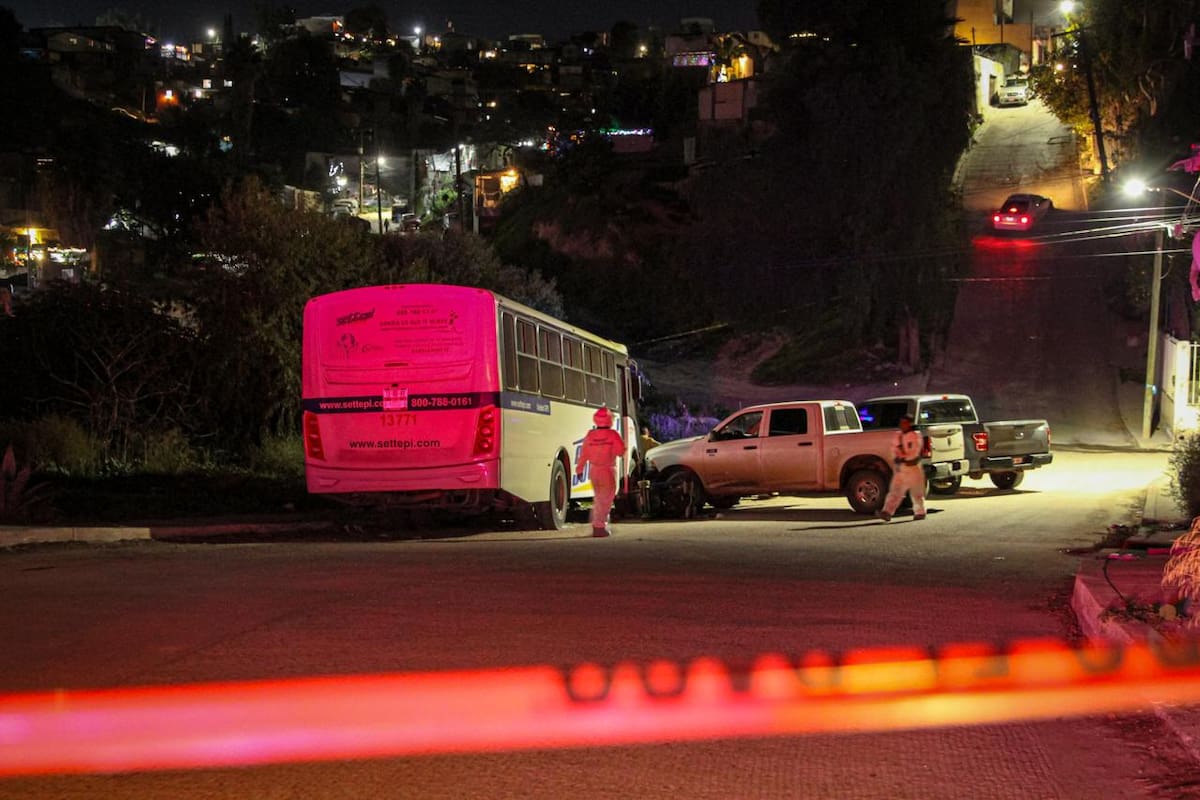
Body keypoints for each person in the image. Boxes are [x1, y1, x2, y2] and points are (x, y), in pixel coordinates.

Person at [576, 406, 626, 537]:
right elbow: (621, 451)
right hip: (608, 470)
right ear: (609, 420)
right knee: (606, 499)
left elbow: (583, 454)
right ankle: (599, 526)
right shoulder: (613, 435)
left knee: (598, 498)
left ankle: (597, 524)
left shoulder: (590, 435)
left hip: (594, 471)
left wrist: (579, 469)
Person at [877, 414, 926, 522]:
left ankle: (920, 512)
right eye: (901, 422)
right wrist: (897, 459)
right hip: (901, 469)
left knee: (916, 493)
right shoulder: (898, 436)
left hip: (913, 468)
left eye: (905, 422)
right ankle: (887, 512)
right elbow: (894, 450)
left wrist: (905, 459)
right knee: (895, 491)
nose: (902, 425)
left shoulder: (915, 436)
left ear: (909, 423)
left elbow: (915, 453)